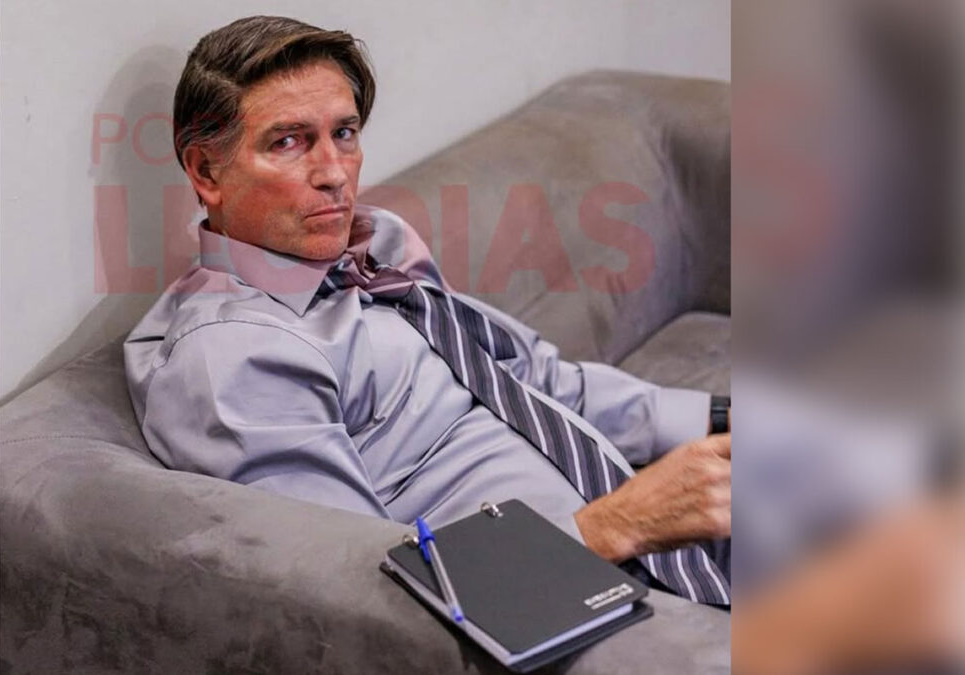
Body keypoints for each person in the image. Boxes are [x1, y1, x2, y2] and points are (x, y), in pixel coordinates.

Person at [125, 15, 731, 605]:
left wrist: (720, 421)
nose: (334, 174)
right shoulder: (236, 359)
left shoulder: (374, 243)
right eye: (288, 142)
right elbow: (354, 593)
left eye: (344, 133)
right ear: (207, 171)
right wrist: (617, 526)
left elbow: (528, 378)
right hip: (576, 593)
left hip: (660, 530)